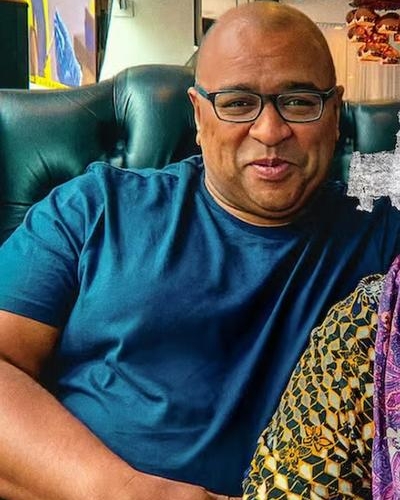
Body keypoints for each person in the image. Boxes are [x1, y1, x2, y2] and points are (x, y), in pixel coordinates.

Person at [0, 2, 399, 499]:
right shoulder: (95, 209)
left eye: (298, 102)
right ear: (198, 113)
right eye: (237, 103)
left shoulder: (383, 240)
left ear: (334, 113)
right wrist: (124, 490)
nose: (270, 131)